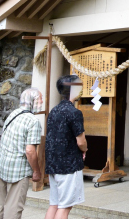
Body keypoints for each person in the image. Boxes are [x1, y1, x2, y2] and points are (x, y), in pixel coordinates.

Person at [0, 88, 44, 219]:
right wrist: (36, 171)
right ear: (33, 102)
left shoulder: (13, 114)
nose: (42, 103)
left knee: (0, 204)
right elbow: (30, 150)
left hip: (3, 165)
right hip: (19, 169)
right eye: (40, 100)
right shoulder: (33, 121)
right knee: (14, 207)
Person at [44, 75, 87, 219]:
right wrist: (84, 150)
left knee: (54, 204)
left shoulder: (53, 111)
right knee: (64, 207)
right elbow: (81, 141)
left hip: (53, 162)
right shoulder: (74, 112)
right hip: (68, 164)